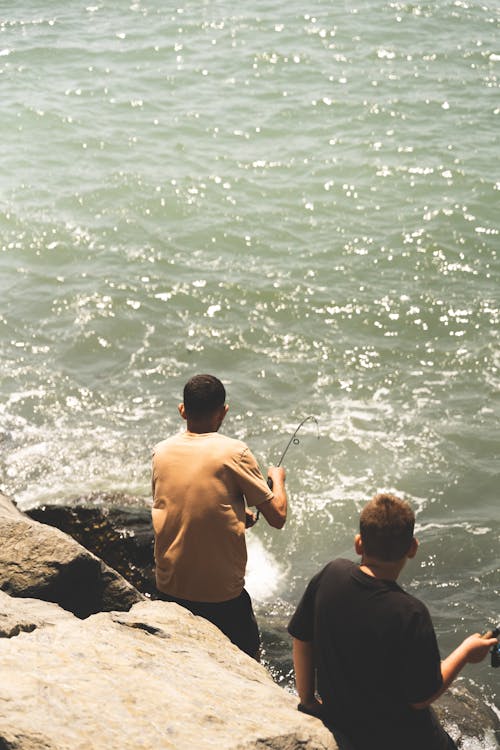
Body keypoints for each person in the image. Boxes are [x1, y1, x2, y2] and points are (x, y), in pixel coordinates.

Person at [288, 493, 497, 750]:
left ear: (358, 544)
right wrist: (465, 653)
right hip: (400, 739)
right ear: (413, 548)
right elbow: (421, 698)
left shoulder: (331, 574)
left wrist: (308, 700)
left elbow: (301, 637)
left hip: (341, 721)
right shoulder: (410, 613)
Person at [151, 373, 287, 659]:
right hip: (221, 597)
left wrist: (237, 514)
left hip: (169, 587)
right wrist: (278, 480)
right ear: (223, 411)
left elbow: (186, 504)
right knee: (249, 663)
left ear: (182, 410)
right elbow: (277, 517)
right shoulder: (235, 452)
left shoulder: (160, 453)